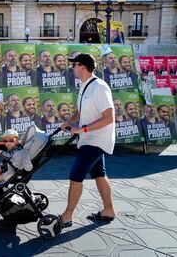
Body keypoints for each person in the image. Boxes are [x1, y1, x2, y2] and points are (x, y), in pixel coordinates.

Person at [60, 53, 116, 228]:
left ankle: (67, 215)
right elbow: (81, 110)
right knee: (99, 174)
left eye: (74, 65)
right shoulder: (85, 85)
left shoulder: (99, 86)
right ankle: (109, 210)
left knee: (76, 176)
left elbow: (109, 117)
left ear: (82, 66)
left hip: (96, 139)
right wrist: (70, 121)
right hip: (89, 138)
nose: (72, 68)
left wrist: (81, 129)